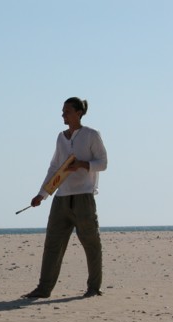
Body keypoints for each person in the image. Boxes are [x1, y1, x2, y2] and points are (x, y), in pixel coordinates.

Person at [22, 97, 108, 299]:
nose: (63, 115)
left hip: (84, 198)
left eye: (67, 111)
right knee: (53, 244)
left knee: (91, 243)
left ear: (78, 113)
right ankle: (43, 289)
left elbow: (103, 163)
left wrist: (82, 165)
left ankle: (94, 288)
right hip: (60, 198)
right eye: (62, 111)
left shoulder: (91, 135)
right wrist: (41, 194)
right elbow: (54, 167)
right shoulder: (61, 137)